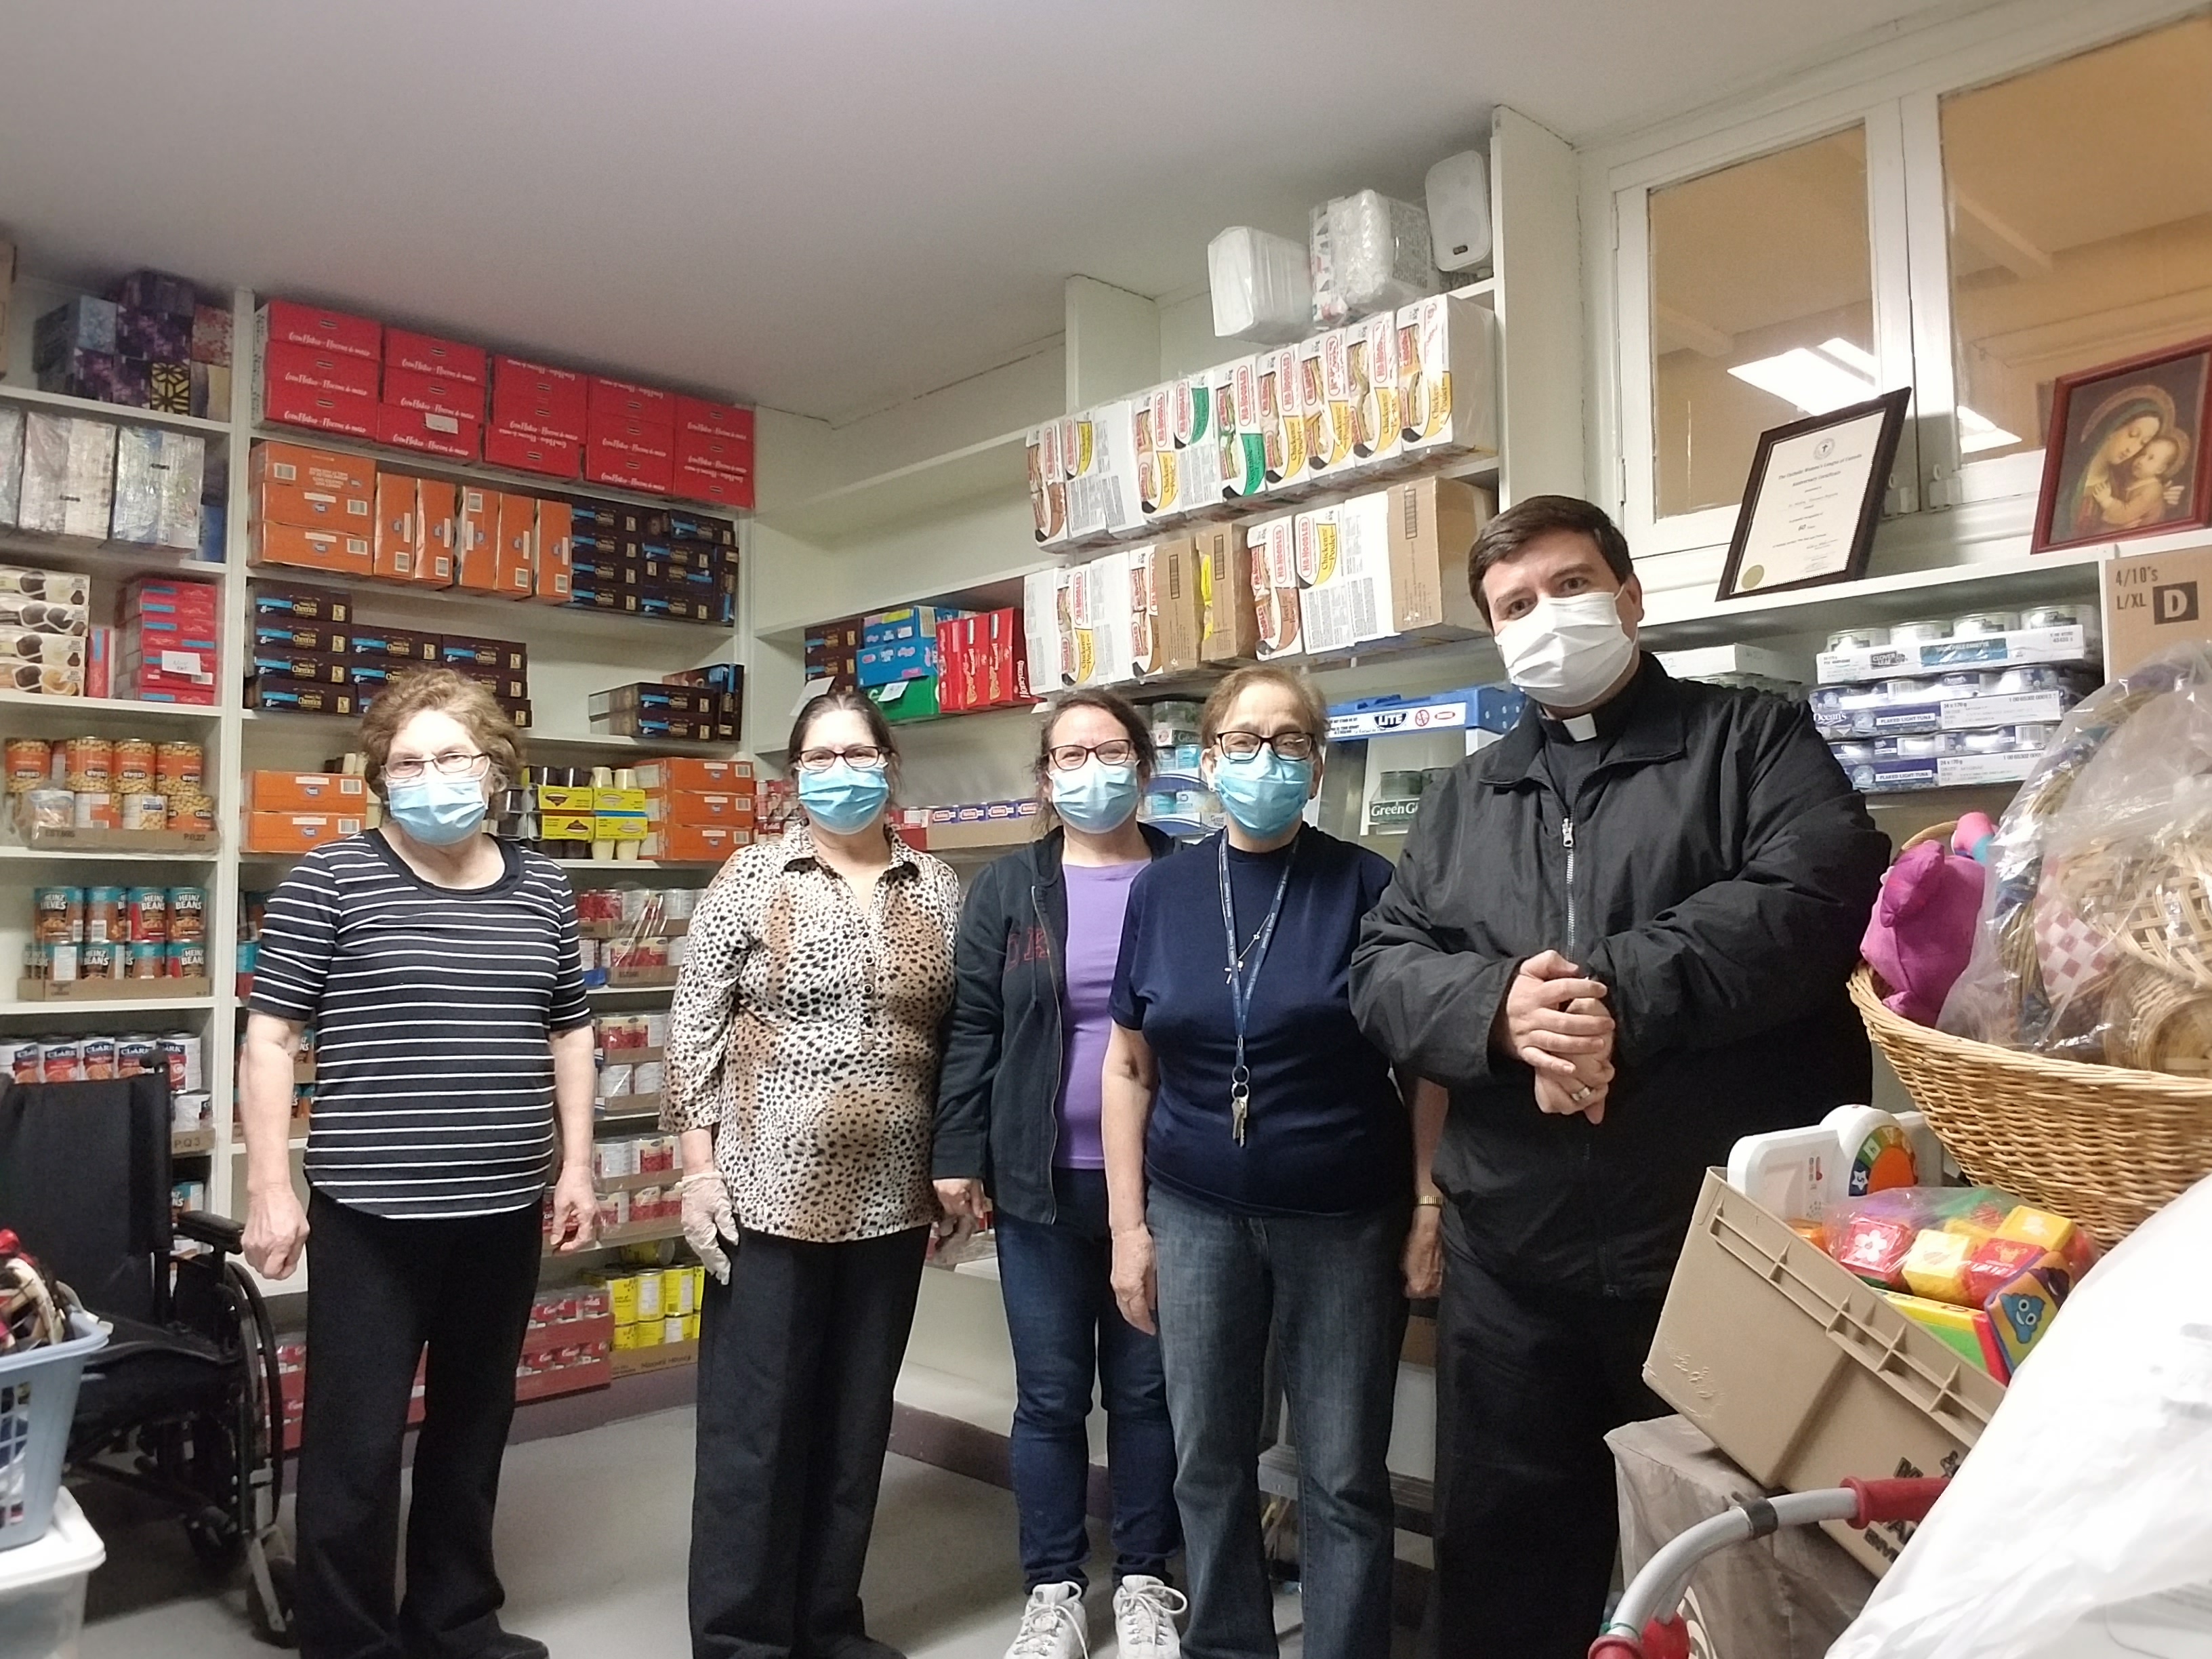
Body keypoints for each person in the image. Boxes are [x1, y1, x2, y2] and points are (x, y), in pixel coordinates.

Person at [1349, 494, 1888, 1659]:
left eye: (1571, 585)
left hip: (1718, 1246)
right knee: (1501, 1558)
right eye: (1515, 605)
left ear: (1630, 595)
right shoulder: (1463, 797)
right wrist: (1498, 1012)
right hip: (1514, 1258)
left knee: (1728, 1554)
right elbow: (1382, 967)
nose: (1549, 616)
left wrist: (1602, 999)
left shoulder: (1754, 741)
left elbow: (1819, 892)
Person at [239, 669, 599, 1659]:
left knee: (472, 1429)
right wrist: (272, 1190)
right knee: (354, 1445)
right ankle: (347, 1640)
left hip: (503, 1206)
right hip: (372, 1212)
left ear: (495, 770)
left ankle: (454, 1620)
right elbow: (270, 1040)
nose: (430, 776)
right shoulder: (331, 879)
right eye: (407, 762)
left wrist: (578, 1168)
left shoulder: (544, 889)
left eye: (451, 757)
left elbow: (570, 1030)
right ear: (378, 778)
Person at [1103, 666, 1440, 1659]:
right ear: (1208, 763)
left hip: (1345, 1217)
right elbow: (1128, 1064)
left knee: (1341, 1474)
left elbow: (1426, 1067)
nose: (1267, 760)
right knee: (1208, 1458)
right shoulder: (1162, 891)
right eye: (1244, 742)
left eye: (1290, 741)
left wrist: (1429, 1203)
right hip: (1196, 1213)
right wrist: (1131, 1230)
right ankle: (1229, 1645)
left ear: (1318, 764)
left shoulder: (1371, 888)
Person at [665, 689, 963, 1659]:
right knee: (756, 1434)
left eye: (858, 754)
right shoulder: (754, 878)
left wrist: (957, 1169)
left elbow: (960, 1036)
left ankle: (829, 1622)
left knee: (852, 1428)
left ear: (889, 764)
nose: (842, 773)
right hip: (766, 1200)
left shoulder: (938, 887)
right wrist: (698, 1171)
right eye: (819, 758)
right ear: (795, 777)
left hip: (891, 1201)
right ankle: (741, 1637)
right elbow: (694, 1034)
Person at [935, 689, 1186, 1659]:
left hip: (1165, 1185)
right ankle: (1051, 1589)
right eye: (1069, 756)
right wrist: (958, 1155)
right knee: (1048, 1396)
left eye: (1110, 751)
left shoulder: (1189, 874)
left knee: (1148, 1394)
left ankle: (1145, 1582)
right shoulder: (1011, 889)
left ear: (1144, 766)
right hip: (1039, 1185)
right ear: (1044, 777)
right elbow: (976, 1031)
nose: (1092, 772)